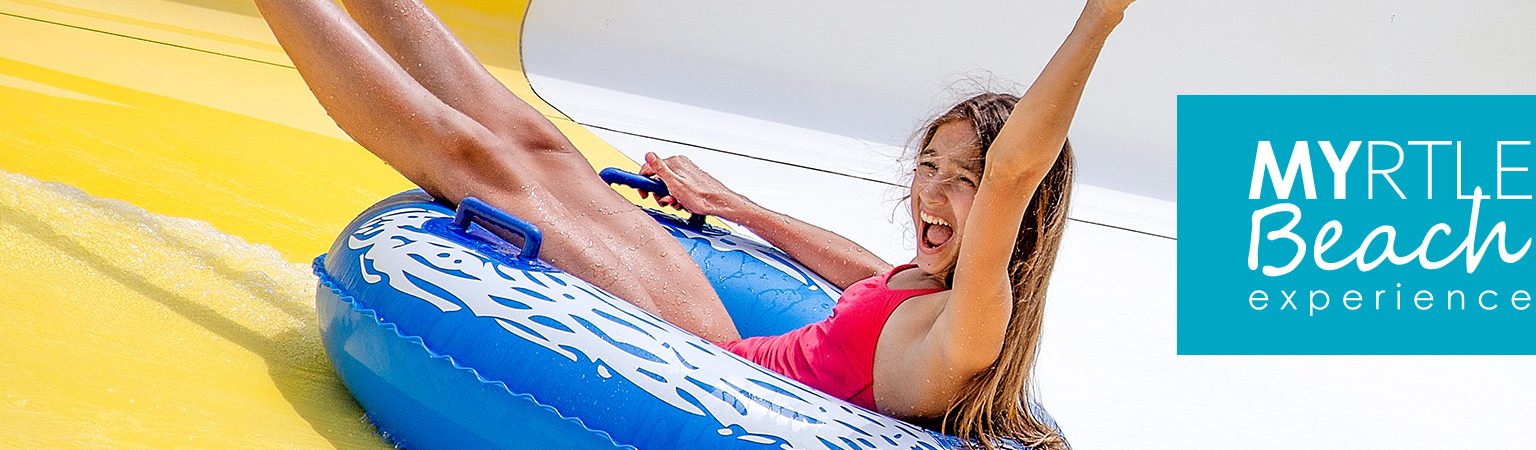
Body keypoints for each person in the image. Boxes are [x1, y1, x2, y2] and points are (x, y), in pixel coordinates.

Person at [253, 0, 1131, 447]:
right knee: (534, 143)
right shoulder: (924, 287)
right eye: (929, 169)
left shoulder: (980, 319)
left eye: (964, 181)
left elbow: (1020, 164)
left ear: (1014, 216)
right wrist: (733, 205)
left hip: (691, 353)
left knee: (483, 167)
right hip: (708, 333)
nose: (932, 195)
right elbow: (859, 270)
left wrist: (1101, 16)